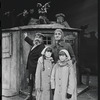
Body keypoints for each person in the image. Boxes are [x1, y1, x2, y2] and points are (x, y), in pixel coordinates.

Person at [24, 32, 45, 100]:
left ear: (42, 40)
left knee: (37, 82)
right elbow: (31, 41)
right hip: (30, 67)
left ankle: (37, 96)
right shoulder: (35, 44)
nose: (37, 39)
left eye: (39, 38)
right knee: (30, 81)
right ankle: (29, 95)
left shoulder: (42, 47)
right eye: (36, 37)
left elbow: (40, 60)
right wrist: (26, 36)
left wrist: (36, 68)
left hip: (36, 68)